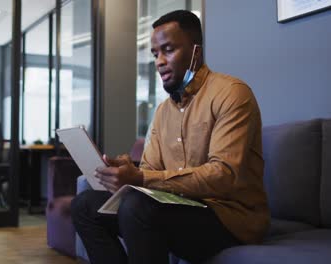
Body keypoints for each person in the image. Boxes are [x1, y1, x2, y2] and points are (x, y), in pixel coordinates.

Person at [71, 10, 270, 264]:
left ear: (195, 51)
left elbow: (223, 176)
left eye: (168, 50)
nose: (159, 61)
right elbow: (150, 170)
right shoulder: (164, 111)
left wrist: (141, 177)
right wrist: (128, 172)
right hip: (180, 208)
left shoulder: (232, 94)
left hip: (228, 217)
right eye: (155, 54)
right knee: (85, 206)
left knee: (136, 208)